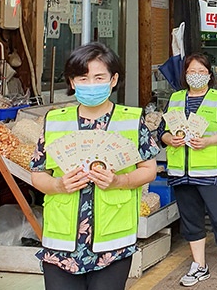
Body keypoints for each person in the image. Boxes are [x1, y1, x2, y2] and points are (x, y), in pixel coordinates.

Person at [30, 42, 159, 290]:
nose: (91, 84)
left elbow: (148, 169)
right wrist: (58, 184)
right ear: (71, 82)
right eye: (83, 77)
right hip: (61, 242)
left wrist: (119, 180)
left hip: (113, 243)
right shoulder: (55, 121)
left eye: (99, 77)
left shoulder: (131, 120)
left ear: (113, 80)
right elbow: (38, 174)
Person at [156, 53, 217, 290]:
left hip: (210, 173)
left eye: (200, 71)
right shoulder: (175, 99)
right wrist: (169, 139)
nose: (196, 76)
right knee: (191, 220)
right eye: (191, 71)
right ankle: (199, 265)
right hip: (180, 173)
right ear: (185, 75)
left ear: (209, 74)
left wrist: (208, 141)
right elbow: (161, 132)